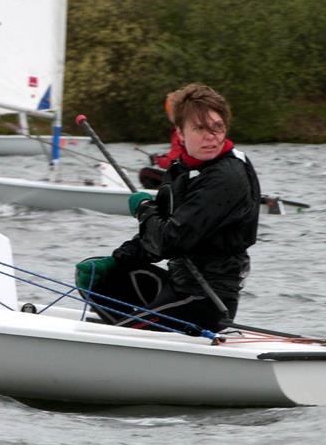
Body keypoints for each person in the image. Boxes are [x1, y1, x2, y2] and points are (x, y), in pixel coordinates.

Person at [75, 83, 261, 335]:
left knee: (127, 331)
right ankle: (130, 339)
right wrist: (119, 259)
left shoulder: (227, 177)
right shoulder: (183, 169)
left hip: (207, 300)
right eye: (200, 128)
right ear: (180, 134)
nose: (211, 136)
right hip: (178, 285)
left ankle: (126, 342)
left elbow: (169, 241)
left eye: (217, 127)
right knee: (97, 277)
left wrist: (143, 208)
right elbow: (157, 230)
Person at [139, 89, 183, 189]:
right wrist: (162, 157)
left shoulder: (181, 131)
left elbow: (173, 161)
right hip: (188, 175)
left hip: (183, 177)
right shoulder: (190, 128)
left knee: (145, 173)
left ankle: (163, 199)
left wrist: (157, 161)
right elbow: (178, 154)